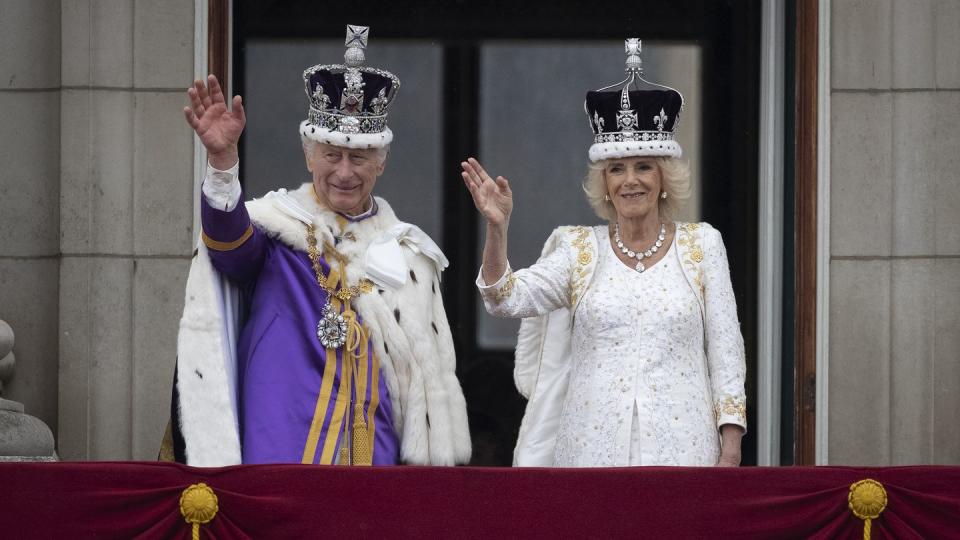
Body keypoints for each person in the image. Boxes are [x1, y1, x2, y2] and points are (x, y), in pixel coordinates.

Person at [163, 25, 471, 466]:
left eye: (359, 157)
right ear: (309, 157)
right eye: (331, 155)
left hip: (373, 446)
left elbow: (420, 384)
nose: (344, 171)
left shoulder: (407, 254)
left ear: (380, 164)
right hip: (282, 439)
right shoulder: (278, 231)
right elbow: (229, 246)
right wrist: (222, 165)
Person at [462, 39, 746, 467]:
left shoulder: (702, 245)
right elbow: (505, 298)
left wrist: (731, 443)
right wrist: (497, 229)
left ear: (664, 176)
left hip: (685, 451)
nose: (630, 180)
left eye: (643, 166)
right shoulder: (579, 250)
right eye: (617, 169)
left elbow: (726, 350)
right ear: (605, 184)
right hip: (591, 455)